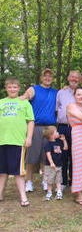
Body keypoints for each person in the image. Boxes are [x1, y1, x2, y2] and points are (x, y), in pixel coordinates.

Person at [21, 68, 58, 192]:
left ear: (52, 78)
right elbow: (25, 97)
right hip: (36, 127)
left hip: (51, 128)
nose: (47, 78)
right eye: (45, 76)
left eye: (50, 76)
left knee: (46, 157)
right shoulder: (34, 89)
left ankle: (45, 181)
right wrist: (14, 101)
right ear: (41, 77)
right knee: (31, 157)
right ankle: (29, 182)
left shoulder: (55, 92)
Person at [0, 77, 34, 206]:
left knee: (18, 172)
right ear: (6, 89)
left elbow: (30, 121)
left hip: (18, 141)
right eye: (9, 87)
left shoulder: (24, 103)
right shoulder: (1, 102)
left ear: (19, 88)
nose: (12, 89)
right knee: (2, 170)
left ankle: (23, 197)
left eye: (15, 87)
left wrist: (29, 137)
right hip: (2, 140)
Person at [56, 70, 80, 189]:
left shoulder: (81, 93)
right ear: (68, 78)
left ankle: (73, 181)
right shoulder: (61, 92)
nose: (74, 79)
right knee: (63, 154)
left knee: (74, 155)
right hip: (63, 127)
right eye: (72, 77)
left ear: (79, 79)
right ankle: (63, 181)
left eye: (76, 77)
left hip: (76, 128)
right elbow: (57, 109)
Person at [42, 126, 68, 201]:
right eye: (56, 132)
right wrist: (51, 163)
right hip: (50, 166)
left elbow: (65, 148)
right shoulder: (48, 144)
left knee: (58, 179)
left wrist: (64, 140)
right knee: (50, 179)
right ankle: (49, 192)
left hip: (59, 165)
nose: (58, 133)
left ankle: (59, 192)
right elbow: (48, 154)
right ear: (51, 135)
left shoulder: (58, 142)